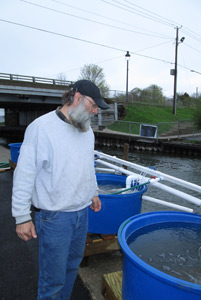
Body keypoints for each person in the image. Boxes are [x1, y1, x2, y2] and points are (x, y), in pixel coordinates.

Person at [11, 79, 109, 299]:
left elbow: (87, 165)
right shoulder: (41, 128)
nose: (95, 111)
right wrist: (21, 217)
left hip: (81, 213)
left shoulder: (86, 131)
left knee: (72, 268)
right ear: (76, 97)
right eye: (93, 105)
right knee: (52, 279)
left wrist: (92, 191)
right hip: (55, 217)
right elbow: (24, 175)